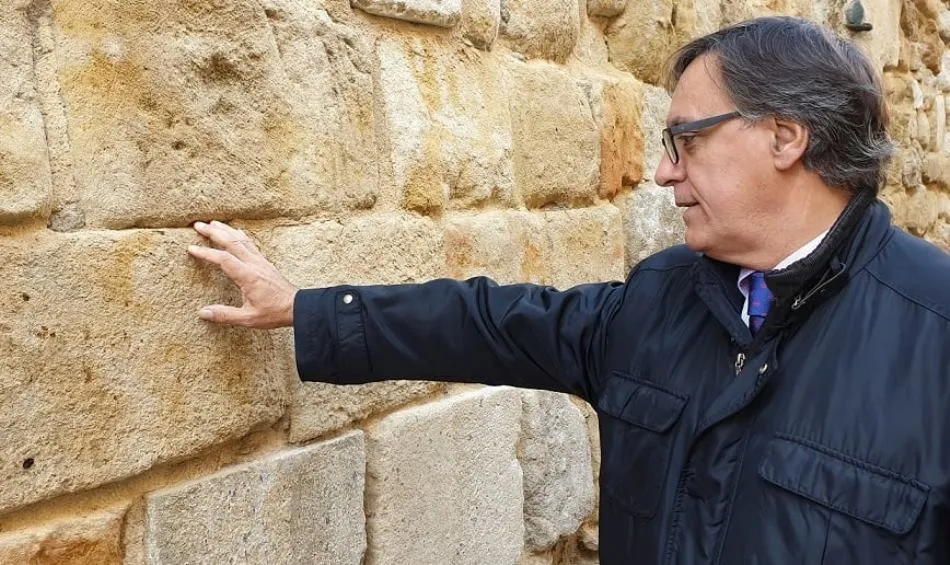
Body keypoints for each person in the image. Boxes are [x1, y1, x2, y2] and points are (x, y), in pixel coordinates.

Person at [187, 16, 950, 565]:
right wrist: (305, 307)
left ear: (786, 136)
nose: (662, 173)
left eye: (686, 139)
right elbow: (495, 322)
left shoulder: (935, 335)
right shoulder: (662, 298)